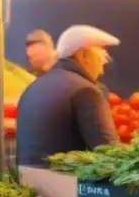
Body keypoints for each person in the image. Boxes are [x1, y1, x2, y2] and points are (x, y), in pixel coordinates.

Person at [16, 25, 121, 167]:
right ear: (83, 55)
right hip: (65, 185)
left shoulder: (32, 88)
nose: (102, 69)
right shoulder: (86, 91)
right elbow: (110, 153)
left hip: (28, 182)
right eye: (102, 58)